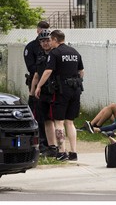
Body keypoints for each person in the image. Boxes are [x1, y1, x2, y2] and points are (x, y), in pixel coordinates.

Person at [35, 30, 84, 161]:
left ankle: (62, 152)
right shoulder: (74, 52)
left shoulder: (55, 53)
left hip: (62, 90)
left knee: (59, 122)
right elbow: (81, 71)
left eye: (50, 40)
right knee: (70, 122)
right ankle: (73, 152)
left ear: (55, 39)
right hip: (76, 89)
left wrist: (39, 86)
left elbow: (48, 71)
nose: (49, 42)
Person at [29, 29, 57, 157]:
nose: (45, 43)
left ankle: (54, 146)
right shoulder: (40, 56)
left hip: (52, 92)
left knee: (53, 120)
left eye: (47, 40)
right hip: (41, 93)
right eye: (42, 41)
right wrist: (32, 92)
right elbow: (36, 75)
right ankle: (43, 145)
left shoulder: (55, 55)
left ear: (51, 41)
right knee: (41, 119)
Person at [23, 21, 50, 153]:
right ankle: (39, 140)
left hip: (49, 85)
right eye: (42, 30)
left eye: (46, 30)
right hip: (35, 83)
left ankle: (48, 141)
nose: (43, 33)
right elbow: (32, 68)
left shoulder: (51, 47)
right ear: (37, 30)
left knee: (48, 116)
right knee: (36, 113)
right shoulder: (31, 47)